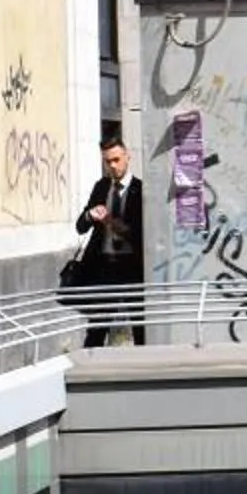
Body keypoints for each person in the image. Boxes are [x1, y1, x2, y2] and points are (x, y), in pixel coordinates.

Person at [75, 134, 145, 346]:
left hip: (132, 269)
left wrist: (108, 221)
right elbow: (80, 227)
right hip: (104, 268)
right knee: (96, 329)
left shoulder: (140, 190)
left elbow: (137, 234)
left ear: (127, 157)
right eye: (108, 161)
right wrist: (89, 215)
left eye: (116, 160)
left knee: (141, 327)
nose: (113, 166)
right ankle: (89, 372)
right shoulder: (101, 187)